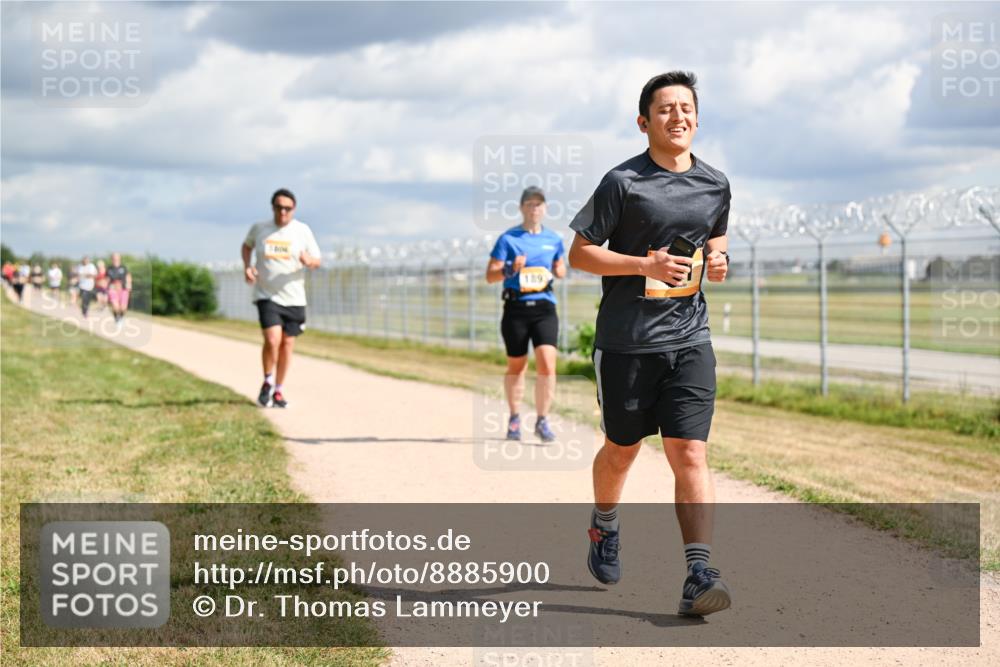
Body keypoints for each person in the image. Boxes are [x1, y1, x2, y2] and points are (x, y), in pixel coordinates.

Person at [568, 71, 732, 616]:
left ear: (697, 118)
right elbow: (580, 254)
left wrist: (721, 258)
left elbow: (715, 234)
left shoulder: (716, 183)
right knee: (622, 451)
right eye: (665, 109)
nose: (678, 116)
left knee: (689, 452)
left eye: (686, 107)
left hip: (689, 338)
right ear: (644, 122)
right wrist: (645, 264)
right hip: (626, 343)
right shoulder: (623, 183)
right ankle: (605, 525)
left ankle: (699, 571)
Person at [485, 186, 566, 442]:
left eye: (539, 204)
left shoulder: (554, 239)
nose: (535, 209)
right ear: (522, 208)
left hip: (544, 307)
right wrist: (510, 268)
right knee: (517, 367)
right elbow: (490, 275)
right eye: (530, 204)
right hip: (516, 308)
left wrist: (557, 269)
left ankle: (542, 420)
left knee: (547, 365)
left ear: (545, 209)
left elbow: (561, 269)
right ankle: (514, 417)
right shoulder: (508, 239)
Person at [242, 188, 321, 408]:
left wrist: (309, 260)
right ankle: (267, 380)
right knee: (272, 340)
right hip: (267, 295)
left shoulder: (302, 231)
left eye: (288, 208)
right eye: (279, 207)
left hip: (294, 298)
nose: (283, 212)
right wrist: (247, 267)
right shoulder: (260, 229)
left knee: (287, 344)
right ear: (273, 208)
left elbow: (317, 260)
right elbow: (246, 246)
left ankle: (278, 390)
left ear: (294, 209)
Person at [106, 253, 131, 324]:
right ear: (112, 259)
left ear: (119, 258)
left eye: (117, 258)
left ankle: (121, 317)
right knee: (115, 306)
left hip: (123, 289)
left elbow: (128, 276)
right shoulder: (109, 268)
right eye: (114, 258)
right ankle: (116, 318)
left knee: (123, 308)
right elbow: (107, 279)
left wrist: (129, 284)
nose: (115, 259)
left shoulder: (124, 267)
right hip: (113, 289)